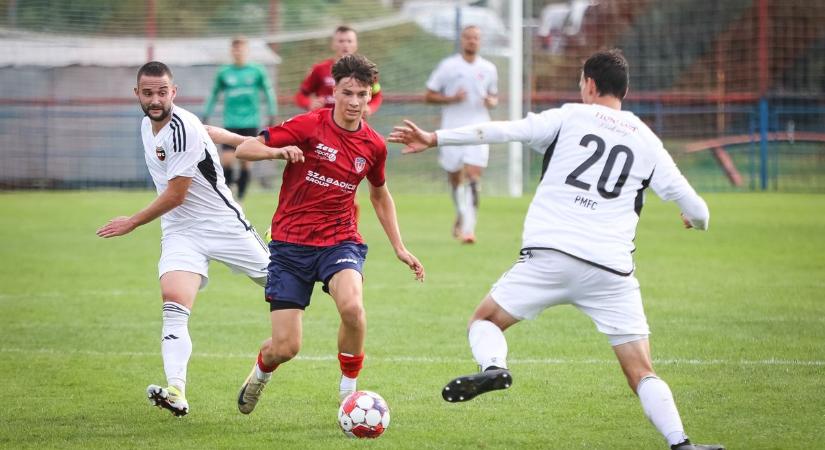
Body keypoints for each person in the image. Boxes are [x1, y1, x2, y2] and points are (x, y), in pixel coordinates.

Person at [389, 50, 724, 450]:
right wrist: (693, 219)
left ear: (591, 85)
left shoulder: (568, 117)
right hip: (610, 272)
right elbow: (699, 211)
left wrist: (435, 139)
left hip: (550, 257)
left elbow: (503, 130)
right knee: (641, 370)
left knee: (485, 321)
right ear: (625, 90)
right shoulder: (647, 140)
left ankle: (495, 366)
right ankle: (681, 443)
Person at [207, 54, 424, 413]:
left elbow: (379, 194)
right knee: (285, 347)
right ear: (334, 92)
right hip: (290, 246)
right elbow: (244, 148)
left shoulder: (374, 145)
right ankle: (261, 371)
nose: (354, 102)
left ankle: (348, 392)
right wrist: (278, 152)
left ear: (370, 97)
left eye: (362, 95)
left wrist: (399, 247)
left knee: (353, 308)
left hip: (340, 240)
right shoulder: (309, 125)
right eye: (348, 93)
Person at [96, 61, 271, 417]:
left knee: (284, 283)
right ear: (138, 95)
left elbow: (177, 193)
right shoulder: (149, 125)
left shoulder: (181, 128)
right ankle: (176, 390)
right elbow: (210, 130)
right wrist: (245, 140)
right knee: (173, 304)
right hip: (180, 231)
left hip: (223, 225)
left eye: (163, 92)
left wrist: (132, 222)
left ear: (173, 92)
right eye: (148, 93)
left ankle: (317, 264)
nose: (156, 99)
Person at [424, 25, 498, 244]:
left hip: (479, 129)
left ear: (480, 41)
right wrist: (451, 98)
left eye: (476, 37)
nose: (472, 41)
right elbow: (428, 95)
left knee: (474, 177)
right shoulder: (448, 66)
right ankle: (461, 213)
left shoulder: (489, 68)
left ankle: (468, 229)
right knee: (455, 178)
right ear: (462, 40)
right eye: (468, 37)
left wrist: (491, 102)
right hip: (451, 129)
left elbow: (493, 97)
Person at [202, 36, 278, 202]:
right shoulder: (225, 72)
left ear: (247, 51)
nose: (239, 52)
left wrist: (272, 113)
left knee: (246, 162)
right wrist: (205, 113)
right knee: (227, 160)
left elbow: (268, 92)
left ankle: (241, 198)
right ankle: (228, 195)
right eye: (236, 49)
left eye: (242, 49)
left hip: (250, 123)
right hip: (231, 123)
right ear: (232, 51)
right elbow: (214, 93)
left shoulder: (257, 71)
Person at [294, 25, 383, 116]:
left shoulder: (366, 70)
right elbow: (300, 95)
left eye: (349, 41)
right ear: (333, 45)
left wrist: (370, 108)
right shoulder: (319, 69)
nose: (345, 45)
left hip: (354, 125)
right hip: (324, 124)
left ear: (356, 44)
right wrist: (309, 103)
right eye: (341, 41)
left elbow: (377, 95)